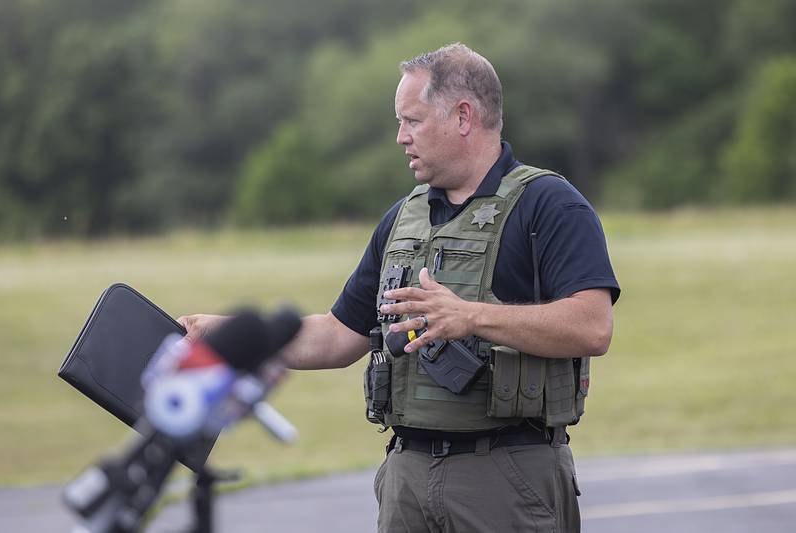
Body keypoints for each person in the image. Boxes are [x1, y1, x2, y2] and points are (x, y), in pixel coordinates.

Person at [179, 42, 620, 533]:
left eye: (412, 120)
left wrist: (470, 316)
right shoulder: (402, 217)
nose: (400, 137)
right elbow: (336, 336)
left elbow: (592, 326)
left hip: (507, 474)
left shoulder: (549, 205)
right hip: (406, 476)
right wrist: (221, 335)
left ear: (463, 116)